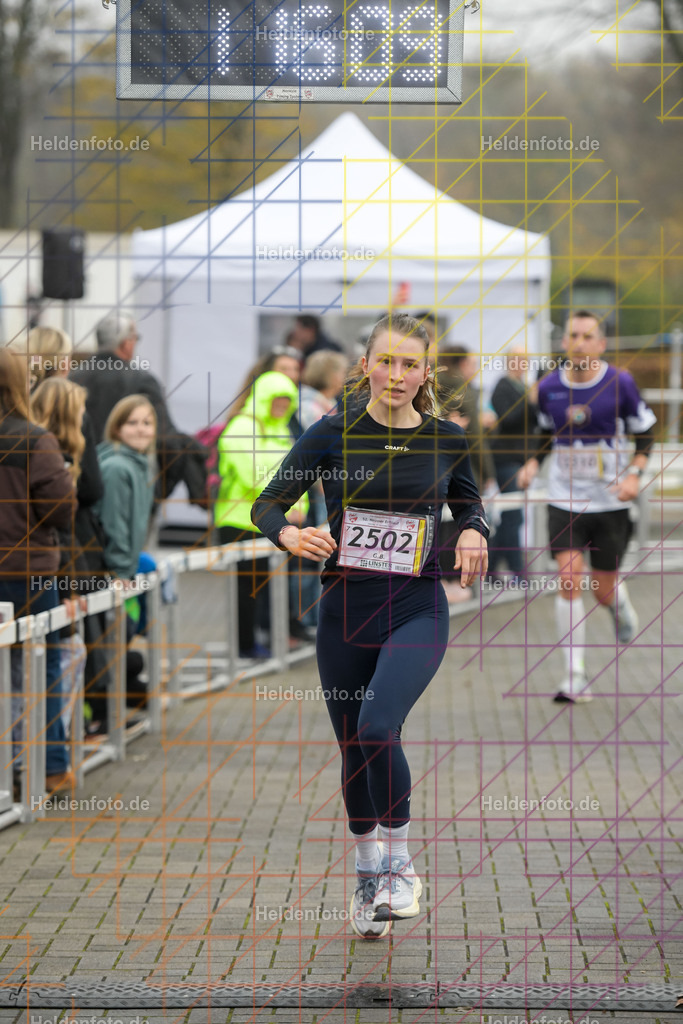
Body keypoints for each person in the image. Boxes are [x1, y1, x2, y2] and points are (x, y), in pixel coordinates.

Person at [252, 313, 488, 939]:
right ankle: (366, 870)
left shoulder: (448, 438)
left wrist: (471, 530)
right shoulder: (331, 432)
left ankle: (401, 868)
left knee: (379, 725)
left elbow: (471, 504)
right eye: (386, 361)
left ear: (425, 373)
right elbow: (267, 502)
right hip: (346, 610)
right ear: (366, 365)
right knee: (354, 748)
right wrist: (289, 532)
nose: (397, 375)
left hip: (416, 605)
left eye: (411, 364)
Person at [517, 311, 656, 703]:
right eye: (573, 335)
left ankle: (619, 603)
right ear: (565, 342)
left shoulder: (619, 383)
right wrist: (532, 462)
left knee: (602, 587)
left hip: (610, 501)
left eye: (587, 336)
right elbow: (546, 432)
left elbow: (645, 432)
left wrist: (634, 475)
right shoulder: (548, 387)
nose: (579, 342)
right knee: (569, 576)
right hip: (565, 499)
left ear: (600, 344)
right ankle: (574, 675)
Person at [0, 347, 75, 795]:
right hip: (26, 571)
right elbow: (61, 510)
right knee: (39, 667)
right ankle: (47, 767)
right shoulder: (33, 439)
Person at [215, 371, 309, 660]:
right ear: (263, 398)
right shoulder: (240, 427)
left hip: (271, 523)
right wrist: (286, 505)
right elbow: (250, 475)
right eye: (276, 401)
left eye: (286, 402)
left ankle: (263, 642)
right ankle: (245, 646)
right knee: (247, 591)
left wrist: (299, 507)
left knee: (264, 589)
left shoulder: (281, 429)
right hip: (239, 521)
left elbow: (297, 474)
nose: (281, 407)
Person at [71, 313, 207, 505]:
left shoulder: (72, 379)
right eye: (135, 339)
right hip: (132, 491)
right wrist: (157, 492)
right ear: (126, 343)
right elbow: (167, 440)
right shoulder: (141, 380)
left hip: (81, 490)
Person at [30, 377, 90, 739]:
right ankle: (49, 760)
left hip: (50, 575)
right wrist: (71, 585)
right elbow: (61, 524)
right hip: (45, 577)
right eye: (82, 411)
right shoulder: (49, 455)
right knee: (56, 660)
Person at [487, 347, 538, 580]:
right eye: (518, 360)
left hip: (520, 460)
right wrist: (530, 401)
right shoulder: (503, 387)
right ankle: (518, 570)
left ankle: (491, 568)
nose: (522, 364)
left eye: (525, 360)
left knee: (511, 516)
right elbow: (508, 420)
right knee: (514, 515)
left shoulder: (524, 388)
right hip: (506, 459)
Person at [96, 396, 157, 582]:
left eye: (147, 423)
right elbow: (114, 523)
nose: (141, 429)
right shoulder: (116, 468)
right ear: (117, 428)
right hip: (112, 574)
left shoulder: (141, 465)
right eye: (132, 423)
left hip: (128, 568)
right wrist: (120, 571)